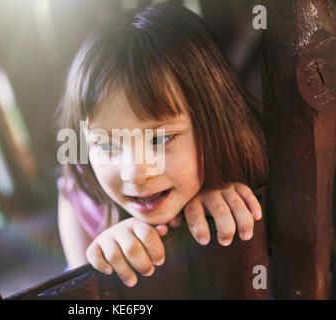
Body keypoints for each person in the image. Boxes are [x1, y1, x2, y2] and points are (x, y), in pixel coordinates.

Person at [56, 3, 268, 287]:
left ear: (217, 123)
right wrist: (102, 265)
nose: (135, 173)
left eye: (160, 138)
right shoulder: (82, 200)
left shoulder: (265, 166)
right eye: (106, 145)